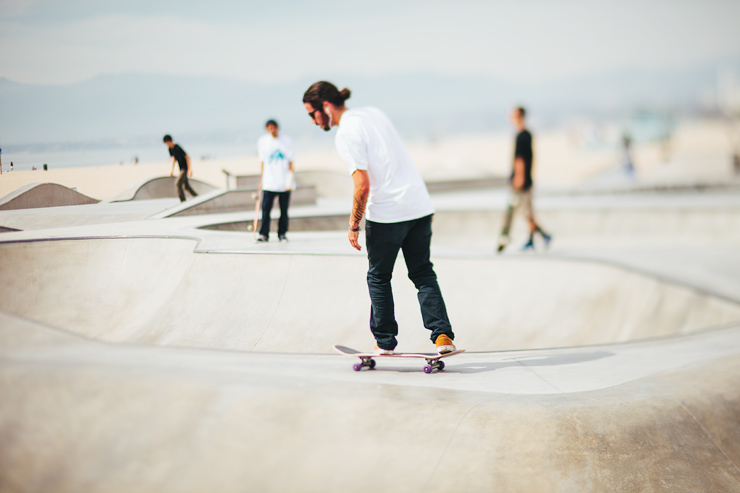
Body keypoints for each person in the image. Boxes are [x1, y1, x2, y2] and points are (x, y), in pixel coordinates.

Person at [302, 81, 456, 355]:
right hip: (419, 206)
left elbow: (362, 185)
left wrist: (353, 225)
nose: (313, 121)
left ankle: (384, 342)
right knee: (422, 272)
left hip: (387, 213)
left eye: (312, 114)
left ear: (325, 106)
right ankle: (443, 336)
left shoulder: (345, 133)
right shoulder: (373, 113)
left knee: (378, 277)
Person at [497, 107, 551, 252]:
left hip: (521, 182)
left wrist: (518, 179)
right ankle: (535, 238)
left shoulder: (521, 136)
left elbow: (520, 160)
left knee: (520, 210)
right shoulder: (527, 134)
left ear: (519, 116)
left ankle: (541, 236)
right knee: (527, 211)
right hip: (527, 180)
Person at [256, 119, 295, 242]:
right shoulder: (263, 141)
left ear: (277, 127)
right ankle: (264, 234)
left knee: (284, 210)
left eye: (273, 127)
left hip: (284, 183)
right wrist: (262, 179)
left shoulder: (286, 141)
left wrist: (289, 179)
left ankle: (282, 234)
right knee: (266, 210)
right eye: (269, 128)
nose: (271, 130)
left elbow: (291, 161)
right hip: (269, 182)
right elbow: (262, 161)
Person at [163, 135, 198, 202]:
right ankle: (197, 197)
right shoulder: (170, 149)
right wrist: (172, 171)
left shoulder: (177, 147)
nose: (167, 145)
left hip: (184, 168)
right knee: (186, 186)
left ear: (169, 141)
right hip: (181, 169)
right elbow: (174, 159)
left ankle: (183, 200)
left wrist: (190, 169)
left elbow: (187, 156)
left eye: (167, 143)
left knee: (178, 183)